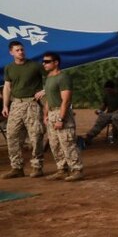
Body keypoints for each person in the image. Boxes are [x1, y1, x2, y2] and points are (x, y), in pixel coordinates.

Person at [2, 39, 46, 178]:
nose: (21, 52)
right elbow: (7, 87)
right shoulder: (9, 68)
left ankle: (37, 166)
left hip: (32, 104)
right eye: (17, 50)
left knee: (36, 136)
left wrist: (45, 91)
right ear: (11, 53)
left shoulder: (35, 66)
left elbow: (52, 76)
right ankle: (17, 167)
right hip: (15, 104)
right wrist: (5, 105)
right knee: (12, 135)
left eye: (22, 49)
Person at [40, 53, 84, 181]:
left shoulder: (63, 77)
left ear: (56, 62)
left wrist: (61, 119)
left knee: (67, 142)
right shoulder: (48, 78)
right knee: (55, 144)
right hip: (52, 113)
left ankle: (77, 169)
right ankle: (62, 169)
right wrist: (45, 114)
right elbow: (48, 98)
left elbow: (66, 100)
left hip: (61, 112)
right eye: (43, 61)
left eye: (47, 61)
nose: (44, 63)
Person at [80, 80, 118, 144]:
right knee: (101, 118)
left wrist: (117, 110)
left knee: (114, 117)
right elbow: (103, 107)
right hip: (109, 114)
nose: (107, 92)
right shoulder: (106, 96)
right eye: (106, 90)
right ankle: (90, 136)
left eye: (109, 90)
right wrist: (99, 111)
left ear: (113, 89)